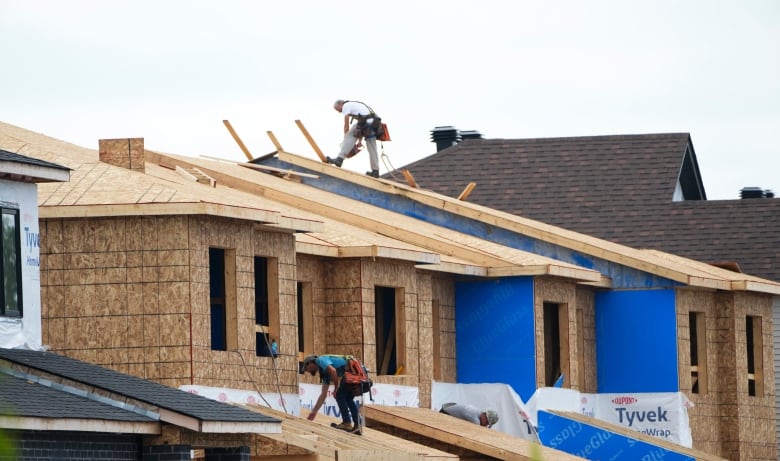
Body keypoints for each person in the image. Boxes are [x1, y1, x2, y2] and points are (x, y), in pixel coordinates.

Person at [302, 354, 361, 433]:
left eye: (307, 368)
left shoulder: (319, 360)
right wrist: (314, 412)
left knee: (340, 396)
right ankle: (358, 425)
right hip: (354, 373)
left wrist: (336, 388)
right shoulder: (324, 373)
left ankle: (347, 423)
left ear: (310, 363)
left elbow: (333, 370)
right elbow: (323, 394)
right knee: (348, 398)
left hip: (352, 372)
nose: (308, 371)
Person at [326, 99, 384, 178]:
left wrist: (345, 138)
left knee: (350, 135)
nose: (339, 112)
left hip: (366, 123)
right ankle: (375, 171)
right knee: (372, 148)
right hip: (374, 124)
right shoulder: (355, 106)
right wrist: (359, 141)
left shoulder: (346, 106)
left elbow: (346, 125)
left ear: (340, 104)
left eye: (338, 109)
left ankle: (339, 159)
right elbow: (362, 126)